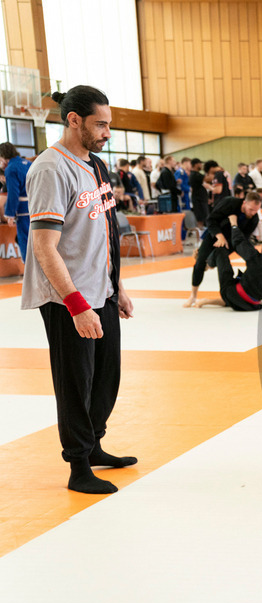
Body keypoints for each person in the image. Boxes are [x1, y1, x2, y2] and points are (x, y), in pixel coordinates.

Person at [20, 85, 136, 494]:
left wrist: (116, 286)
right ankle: (78, 466)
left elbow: (105, 232)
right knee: (75, 381)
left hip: (100, 289)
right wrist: (75, 305)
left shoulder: (99, 167)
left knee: (106, 376)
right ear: (74, 120)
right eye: (100, 124)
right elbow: (43, 245)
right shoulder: (50, 169)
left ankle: (95, 445)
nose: (107, 132)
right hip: (68, 297)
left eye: (109, 124)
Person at [183, 191, 262, 307]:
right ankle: (193, 295)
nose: (253, 213)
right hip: (215, 234)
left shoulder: (254, 219)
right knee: (199, 262)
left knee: (217, 259)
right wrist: (219, 236)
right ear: (244, 203)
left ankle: (209, 264)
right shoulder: (229, 203)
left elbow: (242, 239)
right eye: (251, 209)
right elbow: (211, 220)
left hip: (231, 241)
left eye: (256, 210)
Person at [196, 227, 262, 311]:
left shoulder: (256, 257)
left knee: (220, 251)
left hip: (234, 294)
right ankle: (206, 301)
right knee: (241, 288)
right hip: (252, 304)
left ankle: (207, 265)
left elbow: (239, 242)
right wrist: (258, 291)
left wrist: (234, 226)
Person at [1, 142, 31, 262]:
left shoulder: (11, 169)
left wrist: (10, 214)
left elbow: (13, 193)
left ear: (3, 156)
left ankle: (29, 273)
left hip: (23, 210)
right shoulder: (29, 163)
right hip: (36, 207)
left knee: (24, 240)